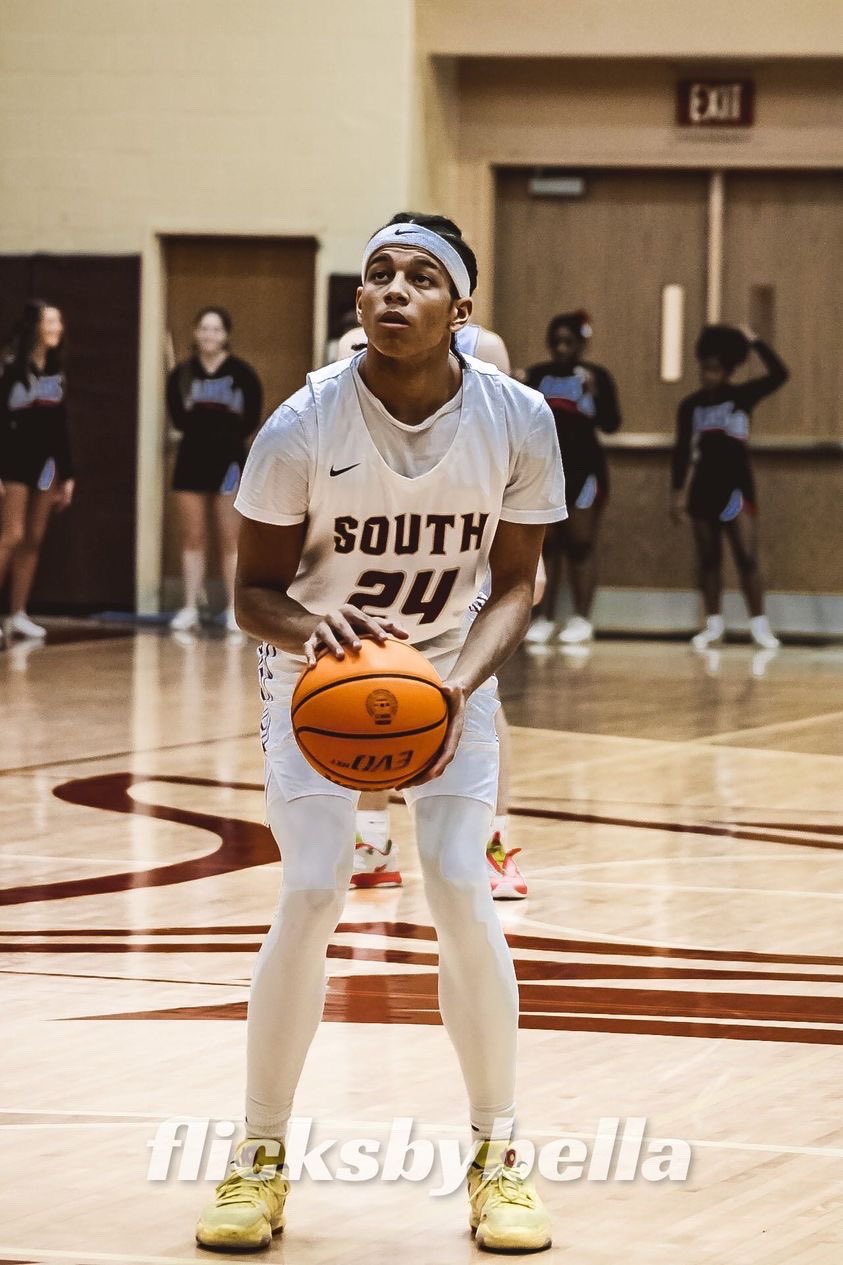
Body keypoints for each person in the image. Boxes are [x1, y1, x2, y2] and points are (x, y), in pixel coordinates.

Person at [194, 212, 566, 1253]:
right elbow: (251, 593)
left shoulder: (519, 418)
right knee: (313, 887)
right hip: (314, 675)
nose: (394, 290)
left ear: (461, 307)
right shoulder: (302, 425)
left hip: (449, 667)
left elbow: (519, 582)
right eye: (378, 275)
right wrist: (309, 631)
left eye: (419, 276)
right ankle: (258, 1153)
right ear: (357, 301)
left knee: (458, 884)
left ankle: (497, 1156)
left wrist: (454, 689)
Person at [336, 317, 538, 899]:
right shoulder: (353, 347)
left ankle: (491, 844)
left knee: (476, 693)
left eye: (424, 277)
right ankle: (372, 840)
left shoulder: (484, 350)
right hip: (376, 546)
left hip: (459, 550)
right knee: (368, 689)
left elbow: (509, 458)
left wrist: (530, 555)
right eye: (384, 275)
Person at [670, 323, 788, 650]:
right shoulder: (690, 406)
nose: (708, 376)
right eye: (704, 369)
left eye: (715, 370)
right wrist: (677, 493)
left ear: (727, 370)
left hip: (736, 487)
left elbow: (780, 375)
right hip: (702, 488)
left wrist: (756, 341)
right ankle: (713, 624)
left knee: (746, 556)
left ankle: (759, 625)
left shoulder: (742, 396)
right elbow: (681, 452)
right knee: (709, 559)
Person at [522, 311, 621, 645]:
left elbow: (611, 423)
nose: (562, 348)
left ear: (581, 344)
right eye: (557, 342)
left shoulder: (596, 376)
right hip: (544, 468)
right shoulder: (536, 375)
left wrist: (595, 394)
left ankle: (581, 618)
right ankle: (543, 617)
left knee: (580, 544)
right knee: (546, 546)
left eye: (569, 342)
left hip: (584, 471)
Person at [166, 306, 262, 633]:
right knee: (192, 536)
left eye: (216, 329)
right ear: (196, 333)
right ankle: (190, 607)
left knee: (229, 537)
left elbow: (251, 419)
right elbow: (178, 418)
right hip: (190, 460)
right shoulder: (181, 375)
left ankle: (233, 610)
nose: (210, 335)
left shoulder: (242, 374)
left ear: (226, 335)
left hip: (229, 462)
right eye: (204, 328)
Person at [0, 300, 74, 646]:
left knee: (33, 537)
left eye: (59, 322)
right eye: (51, 321)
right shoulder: (10, 367)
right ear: (35, 327)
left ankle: (18, 613)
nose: (57, 328)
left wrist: (68, 474)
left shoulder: (56, 371)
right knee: (11, 535)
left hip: (47, 466)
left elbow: (61, 426)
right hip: (13, 462)